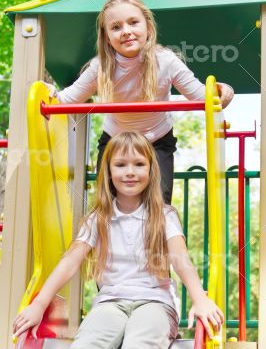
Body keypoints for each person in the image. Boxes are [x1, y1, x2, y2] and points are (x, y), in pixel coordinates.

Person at [13, 131, 224, 348]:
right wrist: (39, 304)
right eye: (121, 165)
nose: (130, 172)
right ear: (108, 171)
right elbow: (70, 262)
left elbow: (181, 259)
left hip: (155, 303)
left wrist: (199, 299)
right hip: (110, 303)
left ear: (151, 170)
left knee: (139, 343)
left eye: (139, 164)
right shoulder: (98, 218)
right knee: (87, 343)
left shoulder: (164, 215)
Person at [43, 0, 234, 204]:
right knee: (107, 203)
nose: (126, 31)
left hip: (157, 140)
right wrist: (50, 95)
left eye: (133, 23)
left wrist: (223, 90)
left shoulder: (166, 61)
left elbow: (203, 97)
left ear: (148, 27)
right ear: (106, 36)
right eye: (116, 27)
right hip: (115, 140)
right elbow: (68, 99)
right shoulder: (102, 67)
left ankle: (159, 233)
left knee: (159, 202)